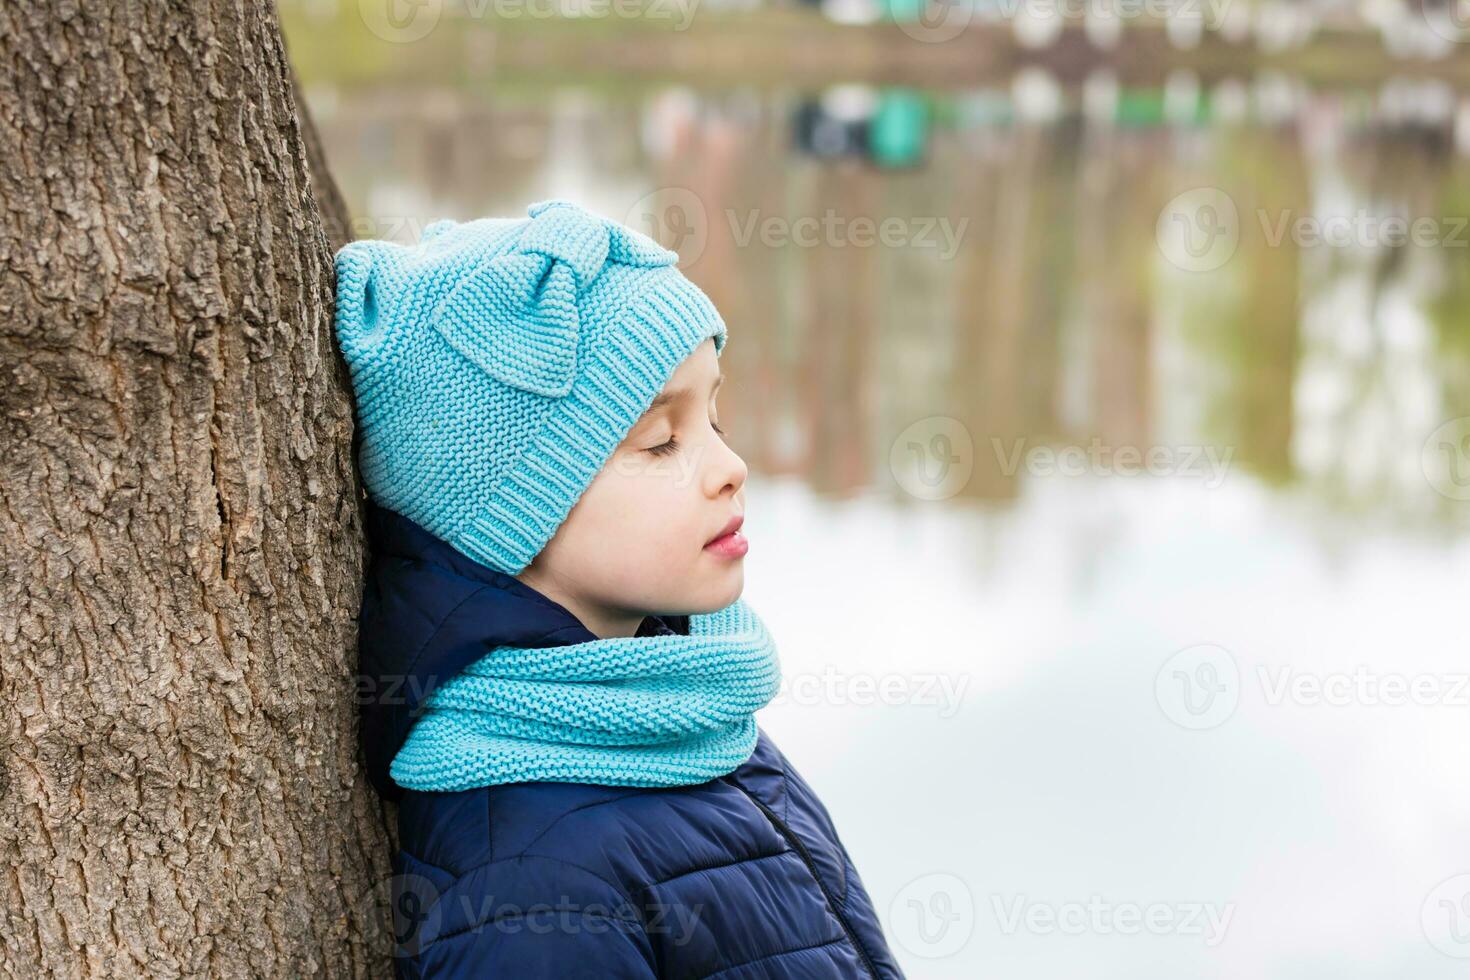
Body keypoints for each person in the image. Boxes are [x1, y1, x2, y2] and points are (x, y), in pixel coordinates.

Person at [334, 199, 905, 978]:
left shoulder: (686, 704)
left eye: (715, 416)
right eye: (661, 440)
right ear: (511, 511)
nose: (729, 467)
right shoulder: (533, 897)